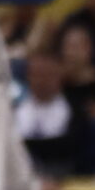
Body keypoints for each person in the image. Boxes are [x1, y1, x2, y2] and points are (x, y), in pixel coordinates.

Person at [16, 45, 81, 176]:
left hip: (60, 173)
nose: (42, 81)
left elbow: (72, 147)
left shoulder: (75, 109)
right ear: (28, 76)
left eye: (48, 75)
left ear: (59, 76)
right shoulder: (14, 107)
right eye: (37, 75)